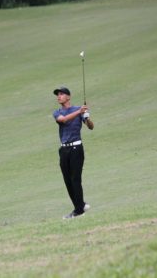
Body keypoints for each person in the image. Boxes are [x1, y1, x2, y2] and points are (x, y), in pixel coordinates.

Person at [53, 86, 94, 219]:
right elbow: (63, 120)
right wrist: (79, 112)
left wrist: (87, 117)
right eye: (57, 95)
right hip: (64, 150)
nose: (58, 96)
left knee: (75, 179)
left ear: (68, 97)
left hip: (76, 148)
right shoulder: (57, 112)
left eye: (61, 94)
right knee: (67, 181)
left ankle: (78, 210)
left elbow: (91, 127)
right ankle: (80, 205)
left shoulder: (79, 110)